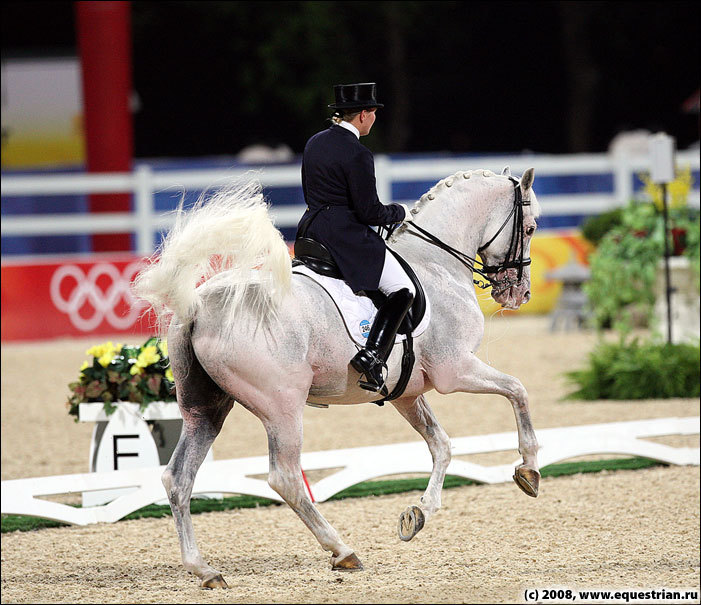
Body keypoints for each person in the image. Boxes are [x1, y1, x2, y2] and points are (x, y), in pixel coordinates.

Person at [296, 82, 416, 393]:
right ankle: (373, 355)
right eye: (373, 114)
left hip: (311, 229)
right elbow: (370, 213)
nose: (374, 120)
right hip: (344, 237)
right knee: (402, 290)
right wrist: (400, 212)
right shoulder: (358, 153)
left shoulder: (314, 143)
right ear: (363, 115)